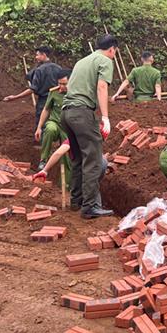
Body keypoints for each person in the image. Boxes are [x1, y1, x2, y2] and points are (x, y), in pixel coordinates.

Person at [61, 34, 118, 218]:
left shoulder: (82, 61)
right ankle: (90, 206)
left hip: (66, 113)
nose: (114, 55)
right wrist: (106, 117)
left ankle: (76, 201)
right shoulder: (105, 60)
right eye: (115, 52)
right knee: (93, 160)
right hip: (82, 113)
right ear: (112, 49)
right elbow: (102, 87)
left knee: (77, 158)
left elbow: (71, 87)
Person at [2, 46, 64, 130]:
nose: (36, 57)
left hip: (44, 100)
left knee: (41, 123)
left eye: (37, 55)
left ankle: (42, 140)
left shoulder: (39, 70)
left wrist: (15, 97)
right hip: (57, 99)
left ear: (44, 55)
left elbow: (32, 89)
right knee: (57, 120)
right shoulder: (58, 68)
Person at [35, 69, 72, 177]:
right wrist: (39, 127)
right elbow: (46, 110)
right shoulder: (54, 92)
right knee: (50, 129)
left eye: (64, 84)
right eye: (59, 83)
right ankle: (43, 159)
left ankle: (66, 185)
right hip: (55, 122)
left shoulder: (76, 94)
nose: (61, 86)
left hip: (68, 128)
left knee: (67, 158)